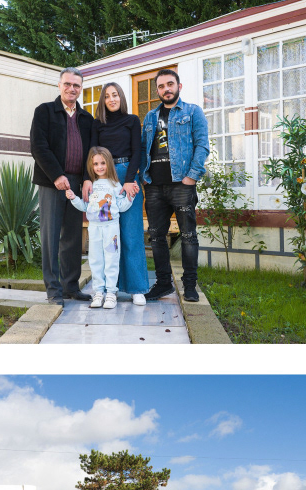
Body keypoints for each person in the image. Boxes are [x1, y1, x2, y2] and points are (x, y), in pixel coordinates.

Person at [139, 69, 210, 302]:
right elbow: (143, 149)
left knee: (188, 235)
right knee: (157, 236)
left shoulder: (192, 112)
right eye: (161, 86)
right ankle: (163, 284)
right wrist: (144, 177)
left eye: (170, 84)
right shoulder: (150, 117)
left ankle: (190, 285)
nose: (166, 89)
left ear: (179, 86)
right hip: (154, 186)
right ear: (157, 90)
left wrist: (192, 176)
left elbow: (202, 145)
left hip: (181, 184)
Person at [30, 68, 95, 303]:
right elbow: (38, 147)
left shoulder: (87, 119)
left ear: (81, 89)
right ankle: (53, 290)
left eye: (76, 85)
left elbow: (92, 152)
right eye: (67, 84)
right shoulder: (45, 111)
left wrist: (88, 178)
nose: (72, 89)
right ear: (59, 86)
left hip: (78, 183)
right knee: (51, 236)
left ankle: (71, 287)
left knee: (73, 237)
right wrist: (57, 175)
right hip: (51, 182)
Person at [85, 82, 147, 305]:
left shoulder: (131, 121)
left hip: (127, 174)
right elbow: (92, 153)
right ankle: (110, 288)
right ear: (103, 100)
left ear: (121, 97)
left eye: (115, 95)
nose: (112, 99)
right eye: (107, 96)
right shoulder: (97, 124)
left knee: (131, 234)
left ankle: (137, 288)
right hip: (103, 179)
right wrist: (88, 179)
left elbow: (137, 151)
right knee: (109, 239)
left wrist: (130, 180)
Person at [67, 147, 134, 310]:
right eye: (96, 164)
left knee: (112, 259)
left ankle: (111, 293)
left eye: (103, 163)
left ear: (109, 163)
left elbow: (122, 206)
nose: (99, 167)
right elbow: (85, 206)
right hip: (94, 228)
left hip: (111, 228)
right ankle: (98, 292)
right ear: (91, 166)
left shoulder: (115, 185)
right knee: (96, 260)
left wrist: (131, 197)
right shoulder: (90, 185)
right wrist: (73, 198)